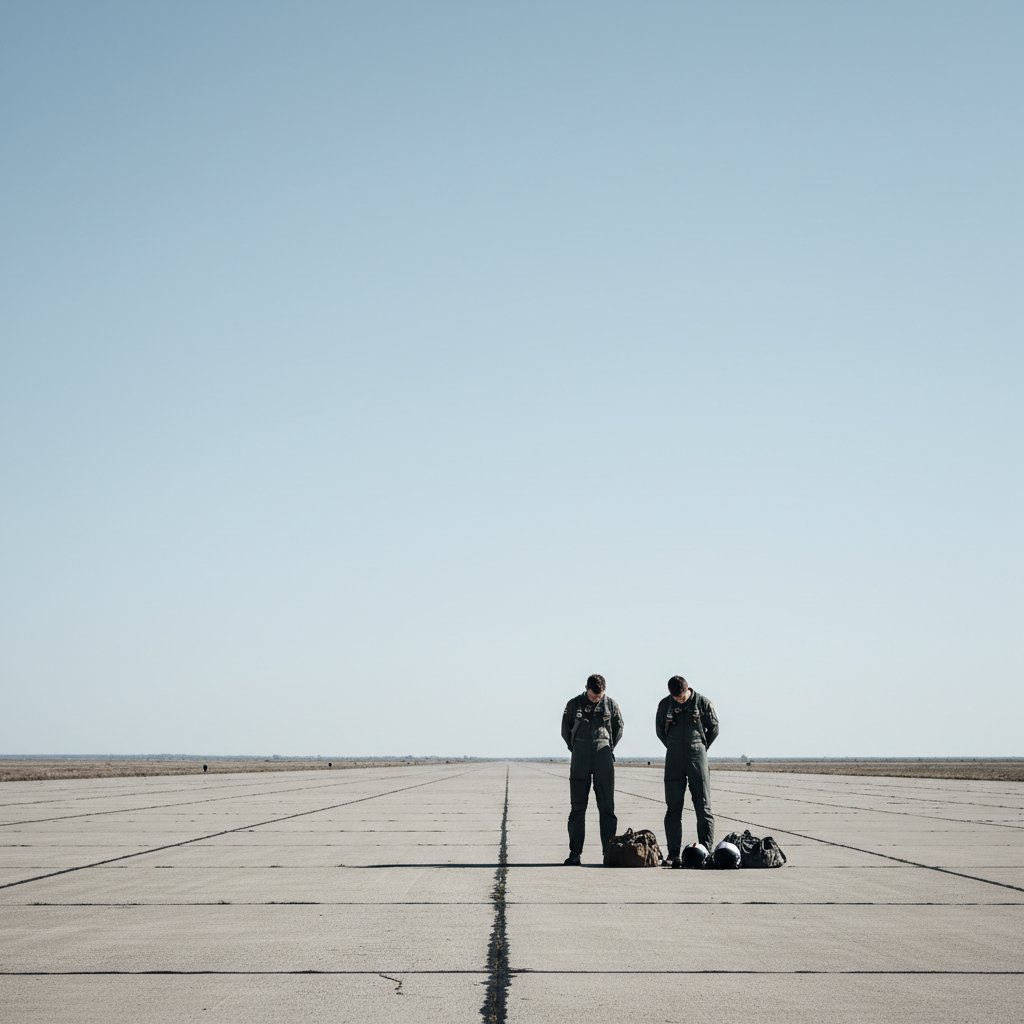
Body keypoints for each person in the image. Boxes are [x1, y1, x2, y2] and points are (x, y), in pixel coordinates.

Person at [655, 675, 719, 868]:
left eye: (682, 697)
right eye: (676, 698)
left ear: (688, 689)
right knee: (673, 808)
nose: (679, 700)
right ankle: (673, 853)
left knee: (703, 807)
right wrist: (673, 746)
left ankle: (706, 851)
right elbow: (660, 730)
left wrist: (700, 747)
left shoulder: (703, 703)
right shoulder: (664, 705)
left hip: (697, 754)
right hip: (674, 757)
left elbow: (714, 728)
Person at [560, 674, 624, 865]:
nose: (597, 699)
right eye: (594, 695)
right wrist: (576, 748)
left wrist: (607, 746)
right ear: (586, 688)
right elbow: (566, 729)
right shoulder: (573, 704)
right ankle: (575, 854)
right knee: (577, 808)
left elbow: (618, 727)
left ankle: (608, 852)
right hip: (580, 756)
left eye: (600, 695)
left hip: (603, 755)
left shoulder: (611, 705)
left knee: (607, 808)